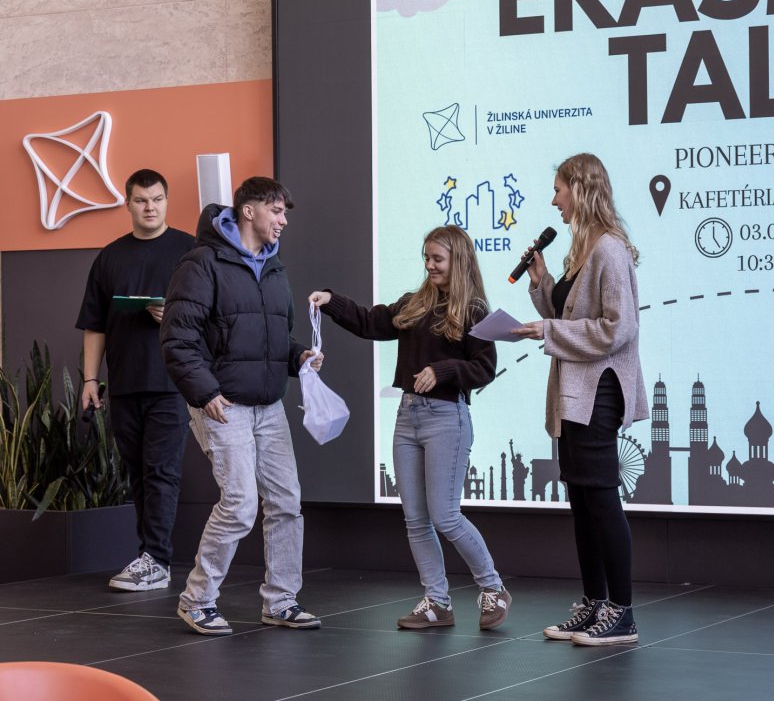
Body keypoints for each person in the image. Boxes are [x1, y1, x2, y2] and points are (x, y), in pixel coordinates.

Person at [308, 225, 511, 631]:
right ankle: (437, 602)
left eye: (438, 259)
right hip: (407, 417)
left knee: (445, 515)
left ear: (458, 260)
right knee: (416, 519)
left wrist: (443, 371)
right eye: (426, 258)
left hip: (446, 419)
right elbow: (370, 322)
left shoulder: (474, 311)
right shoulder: (414, 304)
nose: (430, 265)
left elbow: (484, 368)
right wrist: (331, 301)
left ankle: (493, 588)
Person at [161, 176, 323, 636]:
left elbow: (272, 338)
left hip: (268, 406)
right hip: (222, 404)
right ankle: (197, 600)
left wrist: (298, 358)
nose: (283, 221)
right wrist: (205, 393)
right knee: (239, 505)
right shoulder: (201, 263)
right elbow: (177, 339)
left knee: (286, 502)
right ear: (248, 211)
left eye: (285, 212)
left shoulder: (273, 267)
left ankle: (281, 601)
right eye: (277, 211)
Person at [511, 153, 648, 646]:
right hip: (574, 393)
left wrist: (547, 331)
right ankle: (594, 604)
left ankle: (622, 613)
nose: (554, 201)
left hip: (598, 391)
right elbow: (566, 314)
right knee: (581, 500)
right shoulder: (582, 248)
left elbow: (617, 327)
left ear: (581, 189)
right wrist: (541, 281)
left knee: (601, 499)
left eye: (558, 189)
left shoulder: (609, 249)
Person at [76, 169, 194, 592]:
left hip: (173, 382)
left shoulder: (189, 250)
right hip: (124, 383)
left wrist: (174, 314)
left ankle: (157, 559)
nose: (150, 208)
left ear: (167, 200)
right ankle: (150, 556)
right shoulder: (109, 257)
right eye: (142, 201)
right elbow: (94, 325)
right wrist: (91, 379)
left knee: (161, 471)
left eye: (157, 199)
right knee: (139, 475)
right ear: (128, 204)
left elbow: (213, 314)